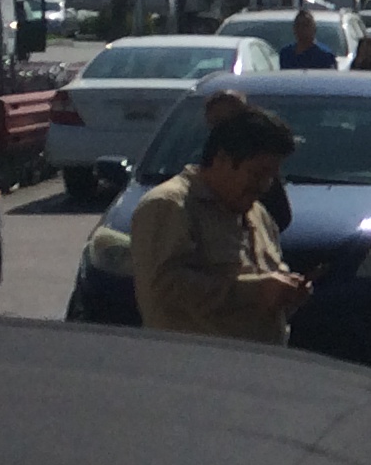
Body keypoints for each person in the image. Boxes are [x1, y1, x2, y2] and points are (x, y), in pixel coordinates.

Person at [131, 103, 309, 342]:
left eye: (272, 177)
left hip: (259, 360)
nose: (264, 186)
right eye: (257, 174)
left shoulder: (257, 212)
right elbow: (165, 289)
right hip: (194, 361)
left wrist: (287, 292)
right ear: (222, 159)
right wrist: (255, 292)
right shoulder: (169, 206)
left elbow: (268, 283)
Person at [199, 86, 295, 231]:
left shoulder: (262, 161)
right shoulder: (178, 205)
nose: (226, 128)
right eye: (218, 121)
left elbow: (280, 217)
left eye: (234, 119)